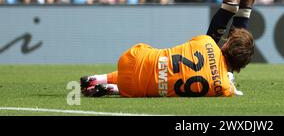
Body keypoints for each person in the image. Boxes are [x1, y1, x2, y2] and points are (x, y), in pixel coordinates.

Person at [80, 28, 254, 97]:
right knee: (158, 81)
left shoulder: (207, 41)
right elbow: (229, 87)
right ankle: (113, 89)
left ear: (227, 43)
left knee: (156, 63)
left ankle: (97, 78)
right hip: (135, 90)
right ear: (240, 65)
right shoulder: (223, 88)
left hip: (131, 58)